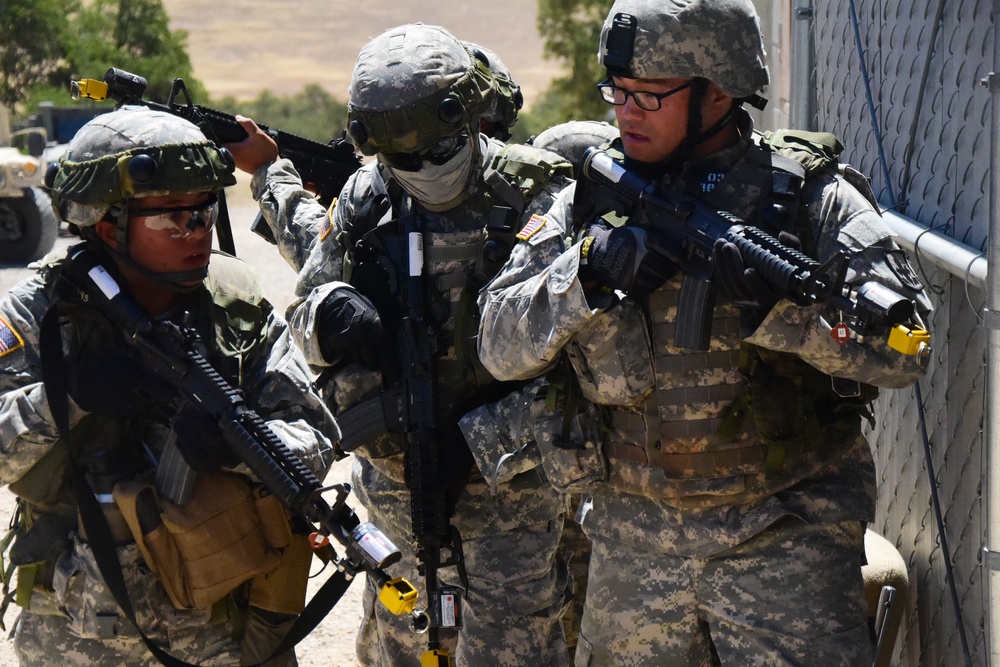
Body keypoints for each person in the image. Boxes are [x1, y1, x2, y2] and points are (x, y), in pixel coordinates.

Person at [476, 1, 933, 665]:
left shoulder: (810, 201)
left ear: (719, 90)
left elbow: (906, 345)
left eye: (648, 96)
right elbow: (497, 342)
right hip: (635, 540)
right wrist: (587, 273)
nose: (624, 111)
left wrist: (784, 311)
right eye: (617, 92)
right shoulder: (588, 197)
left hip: (783, 537)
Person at [228, 24, 576, 667]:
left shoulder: (537, 195)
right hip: (393, 484)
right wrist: (330, 315)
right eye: (401, 157)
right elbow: (302, 309)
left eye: (435, 149)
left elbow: (581, 365)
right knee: (400, 640)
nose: (421, 170)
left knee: (513, 647)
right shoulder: (366, 197)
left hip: (511, 487)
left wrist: (481, 440)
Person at [0, 107, 336, 666]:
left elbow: (315, 439)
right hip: (76, 629)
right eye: (171, 221)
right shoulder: (41, 312)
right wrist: (68, 396)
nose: (196, 235)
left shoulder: (236, 306)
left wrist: (239, 450)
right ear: (107, 226)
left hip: (223, 624)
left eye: (205, 213)